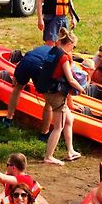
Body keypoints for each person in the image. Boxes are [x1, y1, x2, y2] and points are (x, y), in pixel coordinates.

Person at [36, 27, 85, 165]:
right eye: (73, 47)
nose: (73, 49)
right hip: (55, 94)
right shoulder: (63, 57)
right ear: (69, 44)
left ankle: (70, 151)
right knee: (58, 126)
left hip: (46, 90)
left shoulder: (53, 51)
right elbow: (70, 80)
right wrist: (81, 89)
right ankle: (49, 156)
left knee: (69, 119)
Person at [2, 45, 53, 141]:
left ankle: (8, 119)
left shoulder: (43, 47)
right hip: (39, 66)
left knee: (17, 88)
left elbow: (14, 82)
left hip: (25, 62)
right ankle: (44, 133)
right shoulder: (60, 55)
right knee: (49, 102)